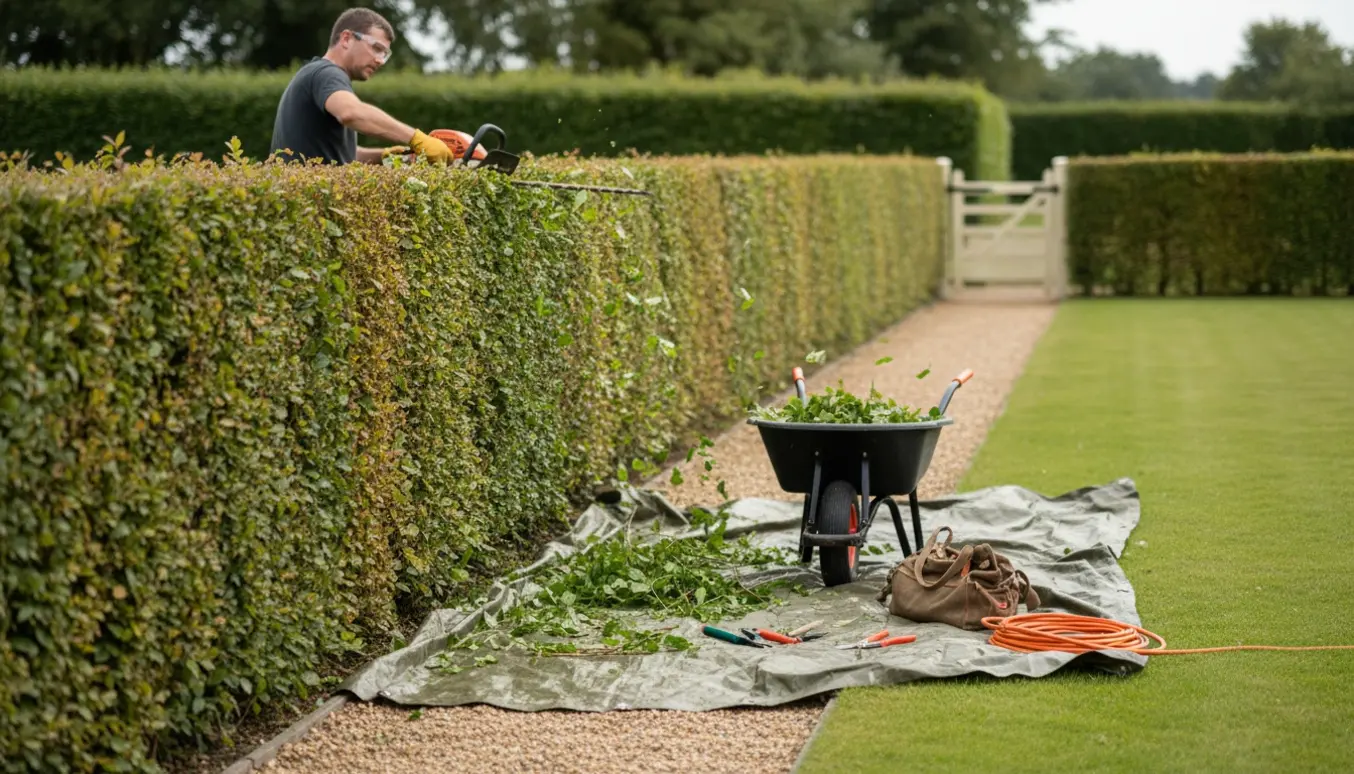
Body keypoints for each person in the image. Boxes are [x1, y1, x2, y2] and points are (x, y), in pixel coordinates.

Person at [268, 7, 452, 165]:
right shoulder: (327, 73)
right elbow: (351, 113)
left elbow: (343, 155)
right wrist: (417, 139)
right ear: (346, 39)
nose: (380, 61)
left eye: (385, 54)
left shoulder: (316, 74)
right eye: (376, 48)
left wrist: (388, 156)